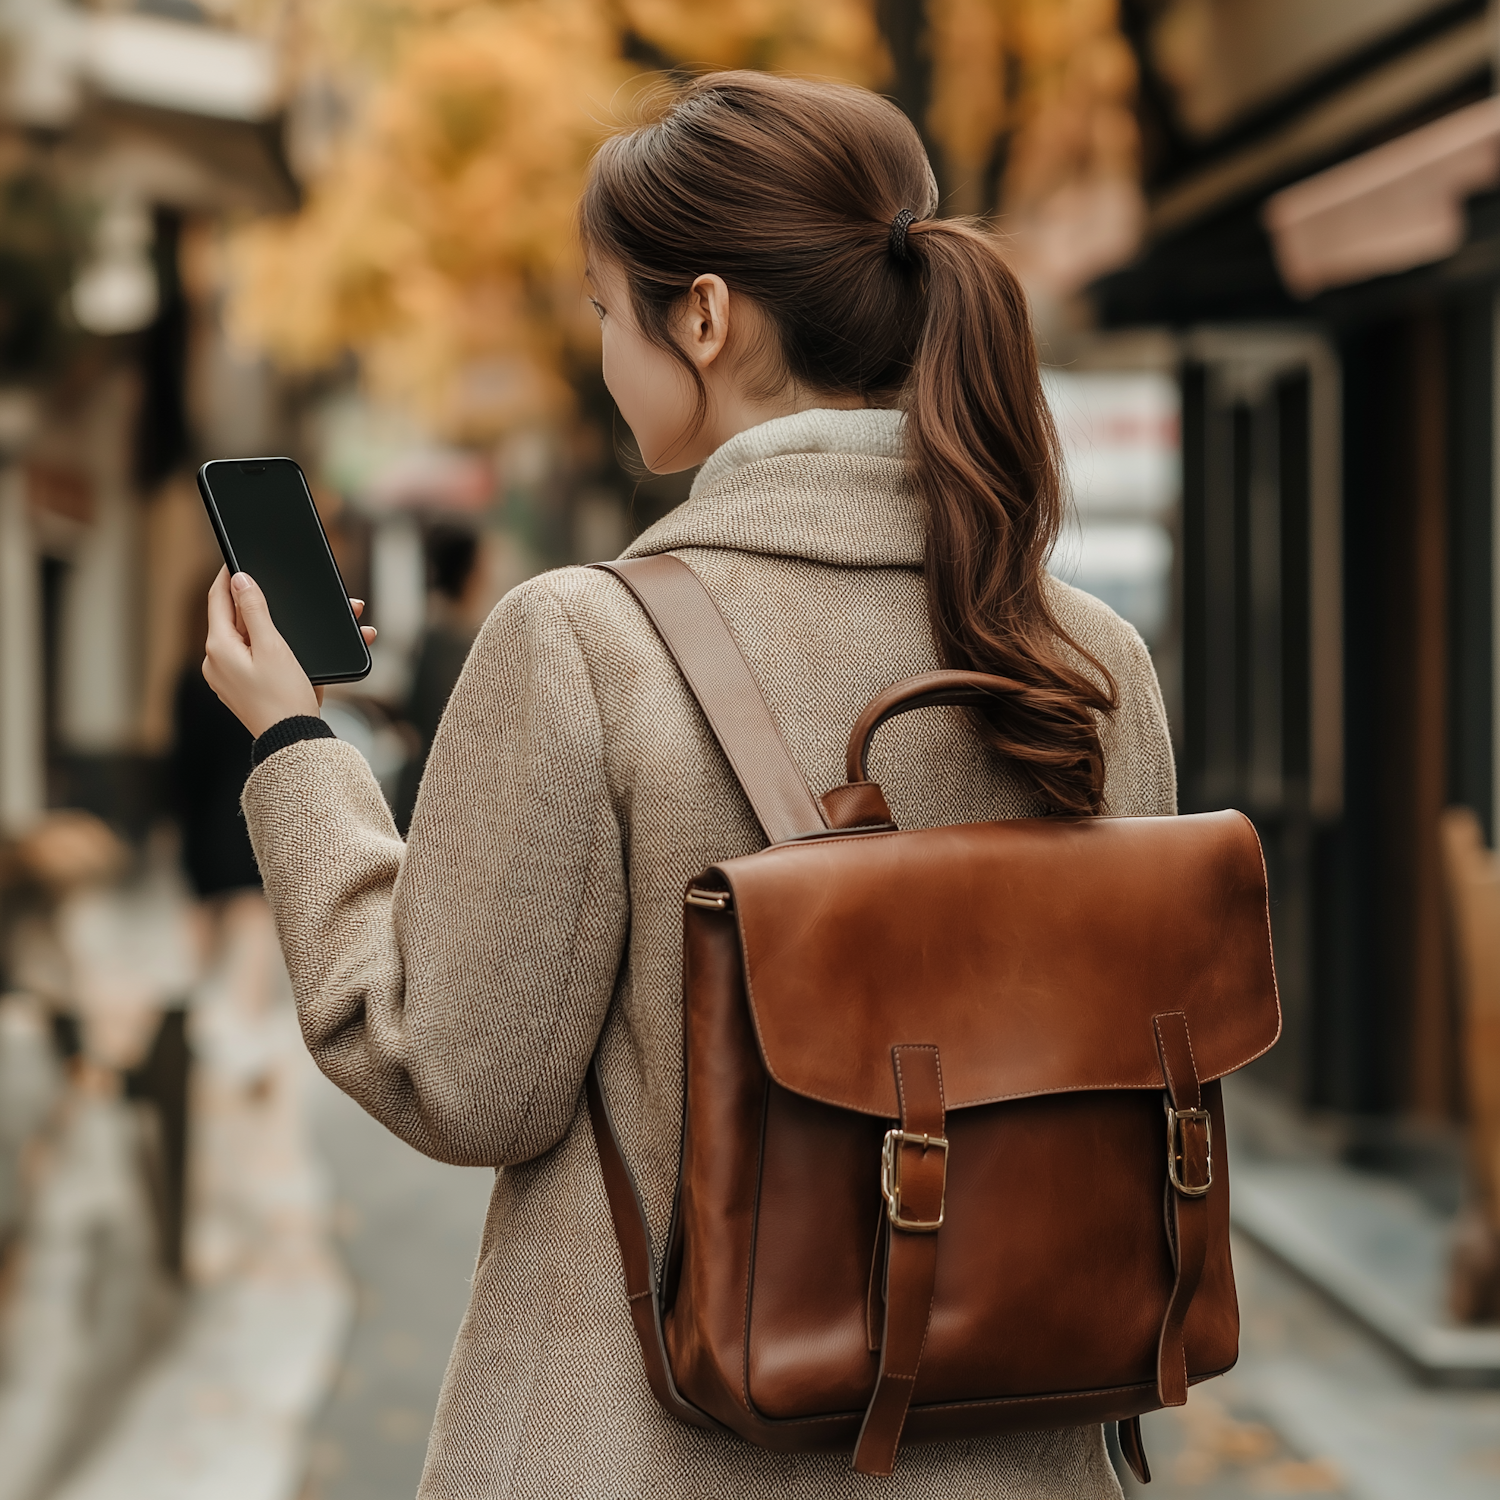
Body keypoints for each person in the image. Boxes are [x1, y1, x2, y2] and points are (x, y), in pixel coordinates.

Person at [203, 72, 1174, 1500]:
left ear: (704, 317)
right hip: (1017, 1446)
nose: (603, 352)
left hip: (656, 1451)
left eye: (607, 311)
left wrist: (294, 745)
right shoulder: (1085, 657)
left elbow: (454, 1076)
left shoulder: (582, 642)